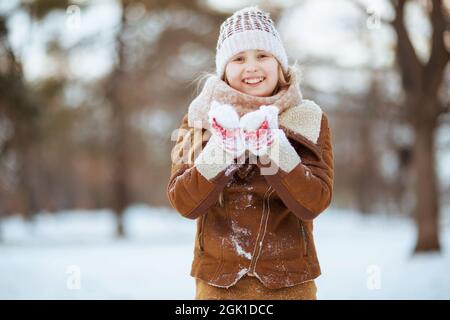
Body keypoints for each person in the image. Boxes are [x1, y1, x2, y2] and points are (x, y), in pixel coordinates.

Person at [166, 6, 334, 300]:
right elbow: (184, 202)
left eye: (263, 55)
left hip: (290, 284)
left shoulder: (308, 118)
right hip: (217, 286)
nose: (251, 66)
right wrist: (222, 149)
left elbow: (314, 201)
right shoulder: (199, 118)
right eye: (239, 58)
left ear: (279, 63)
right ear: (224, 70)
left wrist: (272, 147)